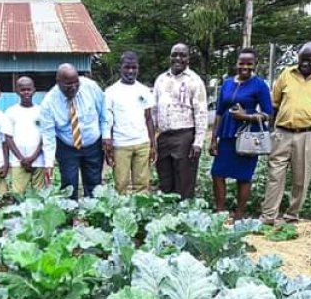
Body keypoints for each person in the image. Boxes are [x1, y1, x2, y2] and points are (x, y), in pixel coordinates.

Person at [260, 41, 311, 224]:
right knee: (275, 174)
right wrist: (270, 131)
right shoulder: (287, 73)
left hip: (308, 133)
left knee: (301, 177)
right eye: (301, 60)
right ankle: (268, 216)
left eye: (309, 61)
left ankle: (291, 215)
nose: (304, 64)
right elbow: (274, 104)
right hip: (282, 132)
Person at [209, 47, 273, 220]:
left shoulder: (260, 85)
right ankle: (221, 211)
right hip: (227, 135)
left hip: (248, 137)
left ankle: (239, 214)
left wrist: (247, 116)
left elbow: (268, 113)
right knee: (218, 173)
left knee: (243, 176)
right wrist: (213, 138)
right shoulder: (228, 83)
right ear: (236, 63)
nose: (244, 67)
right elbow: (219, 112)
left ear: (255, 65)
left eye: (249, 64)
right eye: (241, 63)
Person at [39, 64, 108, 200]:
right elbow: (48, 135)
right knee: (69, 184)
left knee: (94, 183)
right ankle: (70, 215)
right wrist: (49, 163)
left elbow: (104, 112)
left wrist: (106, 136)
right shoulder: (48, 102)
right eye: (68, 84)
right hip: (67, 147)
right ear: (58, 82)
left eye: (76, 82)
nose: (73, 87)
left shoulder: (91, 87)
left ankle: (94, 215)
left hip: (93, 144)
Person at [153, 43, 208, 200]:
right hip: (164, 137)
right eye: (175, 54)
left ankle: (184, 215)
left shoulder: (194, 81)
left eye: (182, 55)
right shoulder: (161, 80)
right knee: (165, 179)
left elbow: (201, 113)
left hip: (185, 136)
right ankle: (168, 216)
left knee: (184, 180)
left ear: (188, 59)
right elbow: (155, 110)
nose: (178, 58)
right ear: (170, 57)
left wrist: (198, 143)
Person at [104, 52, 156, 194]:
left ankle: (140, 214)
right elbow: (107, 119)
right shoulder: (110, 92)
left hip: (142, 143)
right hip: (120, 144)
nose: (131, 71)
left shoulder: (144, 91)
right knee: (121, 185)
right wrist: (107, 142)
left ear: (138, 68)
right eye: (127, 67)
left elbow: (149, 118)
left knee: (142, 185)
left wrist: (153, 144)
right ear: (120, 68)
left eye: (134, 67)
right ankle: (121, 214)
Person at [3, 76, 47, 194]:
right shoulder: (10, 112)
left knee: (40, 195)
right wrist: (22, 159)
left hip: (39, 160)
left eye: (29, 89)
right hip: (18, 162)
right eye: (22, 90)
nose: (26, 92)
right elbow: (8, 138)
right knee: (18, 195)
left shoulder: (41, 111)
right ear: (17, 91)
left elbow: (45, 136)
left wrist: (33, 157)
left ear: (34, 90)